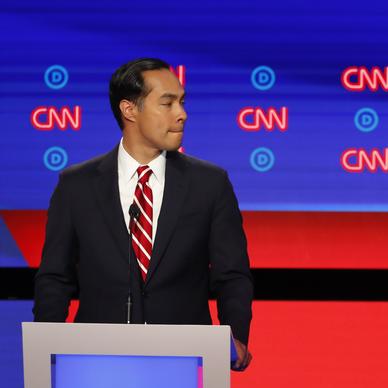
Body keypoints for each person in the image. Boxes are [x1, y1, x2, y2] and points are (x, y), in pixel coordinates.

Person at [33, 58, 253, 371]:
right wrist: (47, 346)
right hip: (95, 364)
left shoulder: (209, 184)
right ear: (129, 109)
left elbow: (232, 275)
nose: (182, 114)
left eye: (182, 102)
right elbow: (55, 278)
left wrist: (236, 336)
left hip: (183, 364)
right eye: (167, 103)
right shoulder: (77, 185)